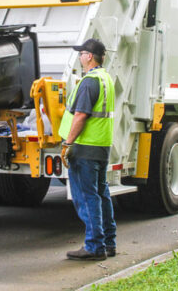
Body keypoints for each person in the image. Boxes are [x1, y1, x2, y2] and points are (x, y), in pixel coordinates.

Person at [58, 38, 117, 261]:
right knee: (102, 194)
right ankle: (108, 243)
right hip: (101, 147)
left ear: (89, 56)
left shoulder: (89, 81)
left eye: (81, 53)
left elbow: (81, 116)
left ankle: (94, 247)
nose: (80, 57)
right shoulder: (106, 79)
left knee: (86, 196)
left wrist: (67, 143)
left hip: (85, 148)